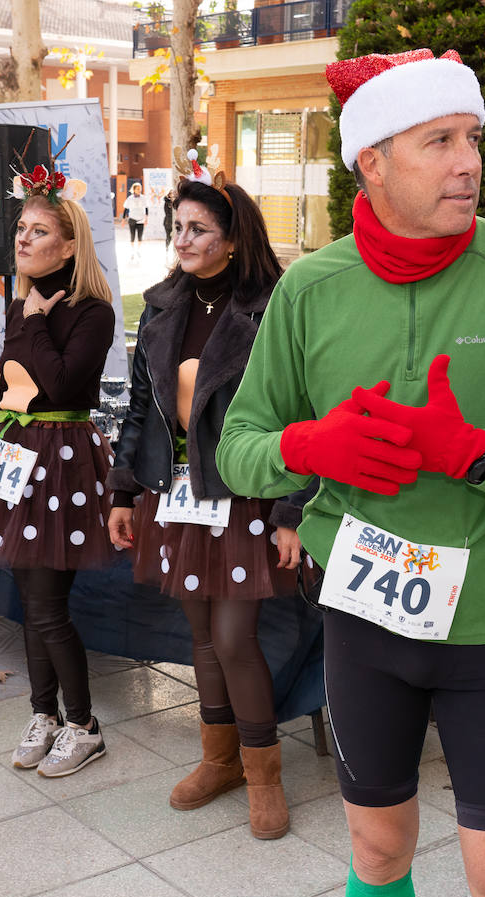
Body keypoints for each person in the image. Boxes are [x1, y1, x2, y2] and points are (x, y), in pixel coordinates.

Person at [216, 48, 485, 897]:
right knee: (376, 845)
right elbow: (237, 449)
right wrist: (311, 447)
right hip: (364, 619)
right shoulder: (311, 289)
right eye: (438, 141)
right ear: (373, 161)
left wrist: (479, 453)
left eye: (472, 138)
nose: (470, 162)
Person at [107, 164, 305, 840]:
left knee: (232, 637)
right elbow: (141, 407)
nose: (183, 240)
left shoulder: (273, 306)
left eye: (198, 229)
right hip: (178, 495)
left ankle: (264, 775)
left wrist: (290, 512)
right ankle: (218, 760)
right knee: (201, 638)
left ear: (231, 239)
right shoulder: (164, 304)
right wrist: (124, 491)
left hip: (246, 496)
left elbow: (300, 415)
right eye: (178, 228)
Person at [0, 164, 116, 777]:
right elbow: (6, 395)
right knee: (30, 602)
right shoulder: (21, 300)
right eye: (21, 228)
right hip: (14, 457)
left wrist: (29, 321)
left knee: (47, 605)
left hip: (64, 464)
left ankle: (84, 724)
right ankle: (44, 713)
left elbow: (59, 384)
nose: (22, 239)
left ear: (69, 245)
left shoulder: (91, 312)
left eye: (39, 231)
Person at [123, 182, 148, 247]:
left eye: (140, 188)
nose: (139, 190)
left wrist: (146, 219)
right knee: (132, 236)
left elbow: (146, 208)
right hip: (132, 219)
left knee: (140, 236)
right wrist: (123, 220)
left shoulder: (143, 198)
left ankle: (138, 249)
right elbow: (126, 209)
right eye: (137, 189)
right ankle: (132, 250)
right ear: (134, 190)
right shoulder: (130, 198)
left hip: (141, 219)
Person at [162, 187, 174, 253]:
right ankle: (167, 249)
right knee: (168, 237)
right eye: (171, 193)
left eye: (173, 193)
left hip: (175, 222)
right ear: (169, 195)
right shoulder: (167, 202)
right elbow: (167, 213)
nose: (172, 195)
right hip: (168, 222)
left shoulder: (177, 202)